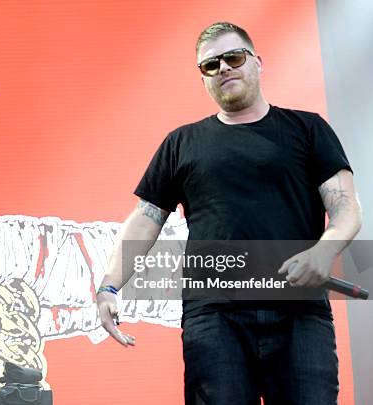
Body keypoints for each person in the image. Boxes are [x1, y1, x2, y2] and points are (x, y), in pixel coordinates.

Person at [96, 22, 362, 404]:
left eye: (233, 57)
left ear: (257, 62)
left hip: (298, 312)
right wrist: (108, 286)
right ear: (203, 78)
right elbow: (145, 218)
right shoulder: (182, 142)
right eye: (210, 65)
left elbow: (346, 207)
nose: (223, 68)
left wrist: (323, 252)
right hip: (214, 316)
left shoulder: (307, 129)